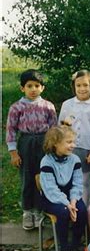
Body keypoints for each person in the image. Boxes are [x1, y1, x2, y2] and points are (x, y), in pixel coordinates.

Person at [6, 69, 57, 230]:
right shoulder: (16, 107)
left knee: (43, 177)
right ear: (23, 88)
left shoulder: (48, 106)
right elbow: (11, 130)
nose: (33, 89)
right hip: (26, 143)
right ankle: (27, 212)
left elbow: (54, 128)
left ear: (42, 88)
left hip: (44, 143)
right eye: (29, 86)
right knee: (27, 177)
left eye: (37, 85)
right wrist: (13, 152)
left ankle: (40, 210)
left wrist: (53, 147)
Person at [39, 125, 87, 251]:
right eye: (69, 142)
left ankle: (75, 245)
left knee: (81, 210)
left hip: (71, 195)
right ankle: (64, 247)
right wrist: (66, 204)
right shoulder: (46, 161)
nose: (73, 145)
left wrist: (73, 202)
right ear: (55, 143)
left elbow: (78, 183)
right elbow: (50, 189)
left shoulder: (75, 160)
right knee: (63, 212)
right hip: (52, 198)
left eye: (73, 141)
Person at [58, 70, 90, 206]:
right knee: (67, 181)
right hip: (68, 149)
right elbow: (59, 128)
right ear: (74, 87)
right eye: (78, 85)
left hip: (86, 150)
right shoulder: (67, 105)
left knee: (84, 182)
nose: (82, 89)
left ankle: (83, 210)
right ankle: (69, 209)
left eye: (85, 85)